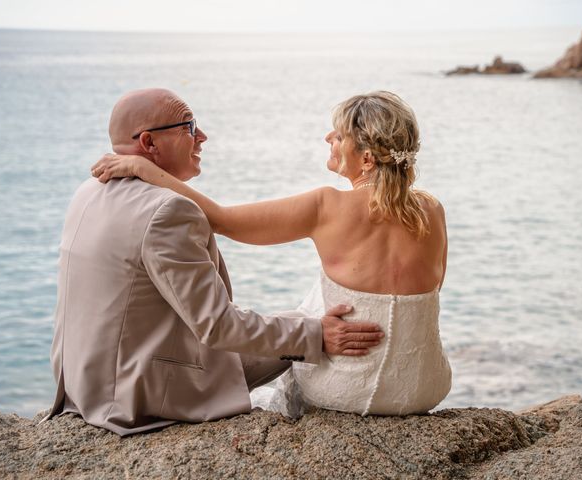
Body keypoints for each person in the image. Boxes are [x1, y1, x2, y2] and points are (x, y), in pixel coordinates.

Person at [42, 88, 384, 436]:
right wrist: (316, 334)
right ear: (149, 143)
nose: (202, 137)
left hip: (81, 381)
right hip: (136, 393)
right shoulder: (167, 211)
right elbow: (217, 326)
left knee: (291, 325)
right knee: (306, 326)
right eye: (189, 127)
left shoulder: (89, 190)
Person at [92, 90, 452, 417]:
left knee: (312, 308)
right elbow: (430, 291)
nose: (328, 138)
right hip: (423, 388)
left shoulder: (327, 205)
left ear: (368, 158)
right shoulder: (433, 210)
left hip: (348, 390)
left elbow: (222, 220)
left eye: (339, 136)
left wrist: (144, 169)